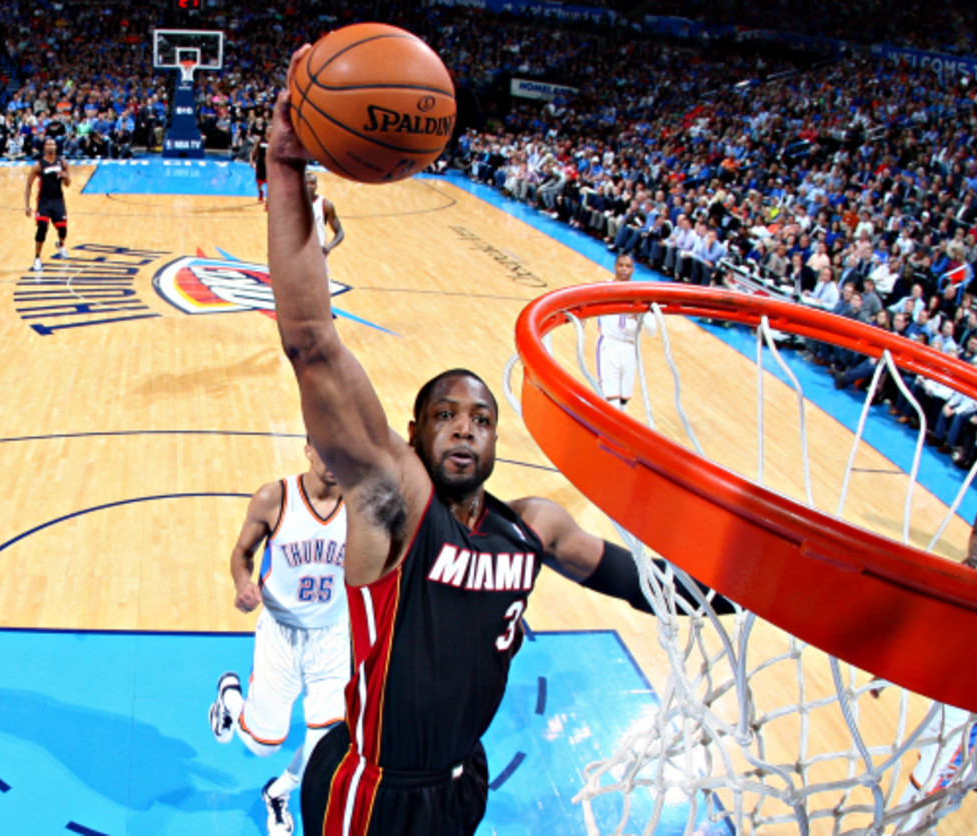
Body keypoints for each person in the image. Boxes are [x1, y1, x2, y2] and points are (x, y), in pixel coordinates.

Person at [264, 45, 732, 836]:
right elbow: (312, 340)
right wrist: (284, 170)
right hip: (373, 790)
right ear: (411, 435)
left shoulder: (533, 526)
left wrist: (739, 590)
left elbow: (639, 582)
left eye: (480, 418)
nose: (464, 427)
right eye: (445, 413)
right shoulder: (393, 504)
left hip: (461, 785)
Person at [208, 439, 349, 836]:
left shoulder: (361, 504)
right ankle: (231, 700)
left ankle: (278, 793)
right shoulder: (275, 497)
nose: (334, 460)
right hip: (281, 635)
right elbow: (242, 551)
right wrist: (242, 582)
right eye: (327, 450)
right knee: (261, 745)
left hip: (334, 637)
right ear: (308, 449)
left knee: (327, 746)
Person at [876, 509, 977, 834]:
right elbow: (933, 633)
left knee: (919, 802)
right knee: (922, 801)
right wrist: (888, 669)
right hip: (945, 704)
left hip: (974, 720)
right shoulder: (961, 575)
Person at [597, 253, 655, 409]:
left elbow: (652, 331)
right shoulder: (604, 288)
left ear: (633, 270)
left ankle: (614, 432)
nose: (624, 269)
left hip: (630, 348)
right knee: (611, 400)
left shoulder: (641, 295)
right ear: (615, 266)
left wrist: (638, 316)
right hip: (609, 345)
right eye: (621, 265)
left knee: (623, 401)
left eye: (628, 266)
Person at [24, 138, 71, 272]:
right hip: (43, 200)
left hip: (57, 200)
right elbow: (28, 185)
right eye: (48, 144)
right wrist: (27, 206)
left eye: (53, 144)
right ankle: (37, 258)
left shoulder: (62, 163)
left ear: (56, 147)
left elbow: (68, 184)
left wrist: (65, 176)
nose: (51, 146)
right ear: (44, 147)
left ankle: (60, 244)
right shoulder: (39, 165)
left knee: (63, 230)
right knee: (42, 228)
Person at [306, 173, 344, 267]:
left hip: (317, 254)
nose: (310, 186)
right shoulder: (294, 203)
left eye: (312, 183)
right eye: (307, 183)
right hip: (298, 253)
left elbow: (339, 232)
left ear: (316, 186)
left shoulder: (325, 204)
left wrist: (328, 247)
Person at [251, 126, 270, 204]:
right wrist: (251, 160)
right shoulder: (260, 140)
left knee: (271, 183)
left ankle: (269, 199)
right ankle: (260, 194)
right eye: (268, 129)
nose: (270, 130)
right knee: (259, 182)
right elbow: (253, 151)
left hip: (270, 164)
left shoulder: (275, 140)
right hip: (261, 163)